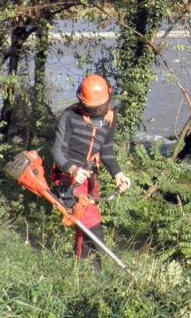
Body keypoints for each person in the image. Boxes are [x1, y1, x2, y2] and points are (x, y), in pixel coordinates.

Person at [51, 74, 132, 261]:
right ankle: (92, 270)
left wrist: (118, 174)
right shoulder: (69, 116)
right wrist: (72, 169)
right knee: (91, 226)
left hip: (88, 180)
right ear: (82, 101)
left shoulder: (110, 117)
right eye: (92, 109)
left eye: (100, 107)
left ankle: (83, 270)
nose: (98, 112)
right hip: (66, 178)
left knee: (88, 226)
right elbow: (56, 151)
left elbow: (106, 150)